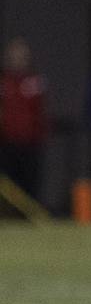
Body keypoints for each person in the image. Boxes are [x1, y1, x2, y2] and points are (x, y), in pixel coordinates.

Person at [0, 37, 49, 202]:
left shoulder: (35, 81)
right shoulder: (4, 81)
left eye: (21, 55)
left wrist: (40, 136)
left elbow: (41, 111)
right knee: (7, 184)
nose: (18, 58)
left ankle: (29, 219)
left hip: (30, 142)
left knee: (30, 182)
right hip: (6, 142)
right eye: (14, 55)